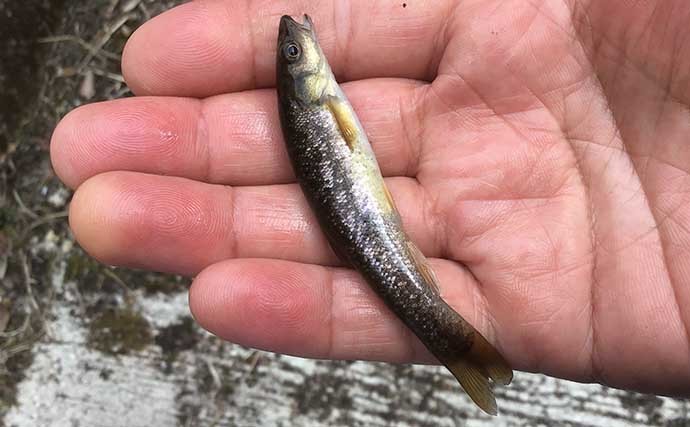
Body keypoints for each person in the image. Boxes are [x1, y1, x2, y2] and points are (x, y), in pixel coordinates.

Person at [50, 0, 690, 398]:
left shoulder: (313, 100)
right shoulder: (317, 101)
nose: (298, 40)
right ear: (308, 77)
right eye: (297, 51)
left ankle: (459, 349)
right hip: (372, 231)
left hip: (368, 227)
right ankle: (458, 347)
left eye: (294, 48)